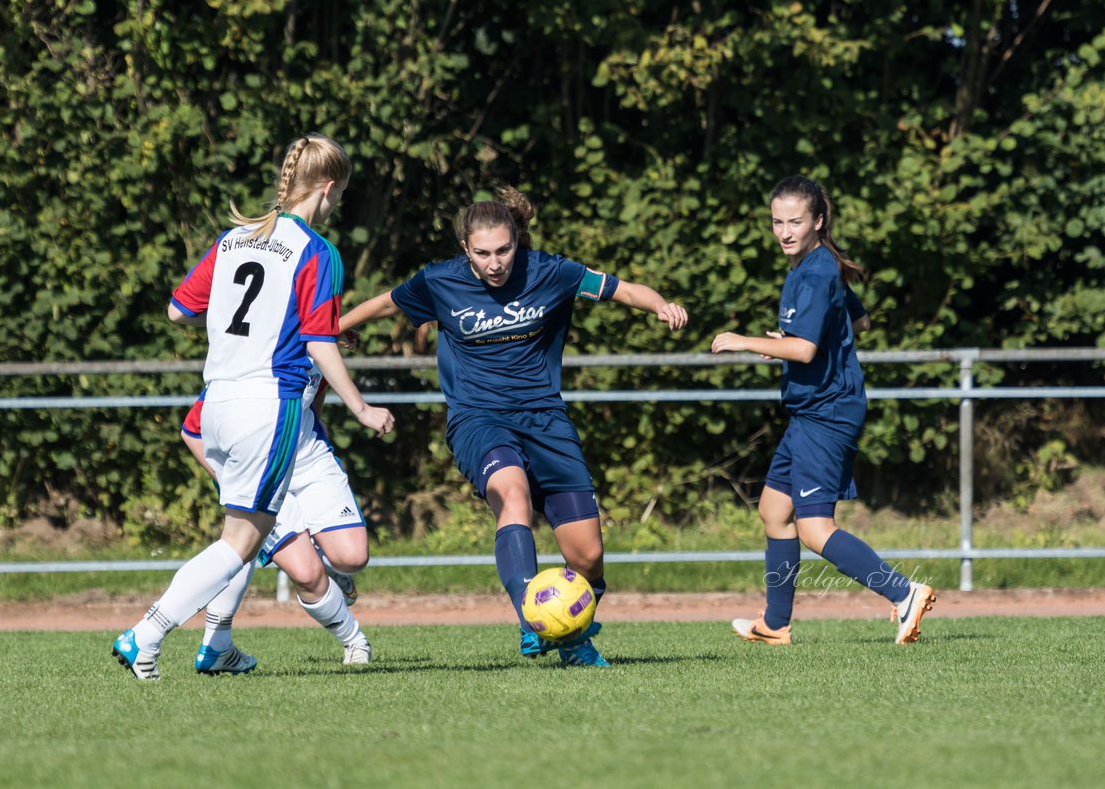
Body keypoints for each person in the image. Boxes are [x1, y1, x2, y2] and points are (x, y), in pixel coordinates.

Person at [339, 186, 688, 667]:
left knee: (586, 559)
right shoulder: (441, 281)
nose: (494, 262)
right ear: (466, 249)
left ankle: (569, 637)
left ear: (516, 241)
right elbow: (385, 303)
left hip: (546, 419)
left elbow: (622, 289)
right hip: (478, 419)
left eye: (503, 250)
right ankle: (532, 620)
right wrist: (335, 328)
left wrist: (660, 305)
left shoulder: (550, 271)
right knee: (513, 494)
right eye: (482, 253)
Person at [112, 133, 393, 680]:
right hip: (270, 407)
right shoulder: (317, 251)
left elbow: (176, 311)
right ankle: (143, 635)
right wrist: (361, 408)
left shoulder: (234, 238)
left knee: (239, 537)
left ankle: (212, 645)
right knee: (238, 543)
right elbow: (318, 341)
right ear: (329, 187)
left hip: (216, 403)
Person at [711, 175, 935, 646]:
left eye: (795, 221)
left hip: (827, 412)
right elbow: (860, 320)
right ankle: (775, 624)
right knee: (774, 511)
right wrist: (790, 345)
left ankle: (904, 592)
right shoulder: (819, 265)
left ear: (817, 220)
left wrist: (745, 343)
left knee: (814, 528)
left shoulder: (814, 272)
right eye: (777, 221)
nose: (785, 231)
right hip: (812, 410)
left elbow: (809, 350)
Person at [180, 366, 373, 673]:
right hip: (261, 476)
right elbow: (192, 431)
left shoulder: (318, 349)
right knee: (306, 575)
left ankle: (195, 641)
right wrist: (236, 485)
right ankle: (355, 641)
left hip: (309, 463)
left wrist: (334, 336)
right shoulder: (252, 361)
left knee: (352, 557)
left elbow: (315, 400)